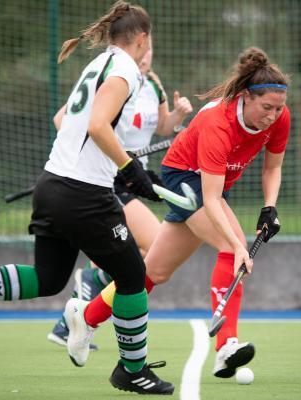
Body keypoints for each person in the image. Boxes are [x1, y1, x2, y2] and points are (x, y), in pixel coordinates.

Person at [0, 1, 175, 395]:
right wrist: (130, 170)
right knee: (132, 276)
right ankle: (132, 369)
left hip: (53, 185)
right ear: (142, 38)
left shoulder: (99, 64)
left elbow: (76, 125)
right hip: (84, 193)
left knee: (47, 278)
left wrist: (128, 169)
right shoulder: (125, 68)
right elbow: (98, 126)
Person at [66, 46, 290, 379]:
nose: (272, 116)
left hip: (213, 185)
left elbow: (272, 168)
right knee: (231, 248)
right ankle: (226, 346)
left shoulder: (279, 118)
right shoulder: (219, 123)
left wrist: (269, 207)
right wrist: (240, 245)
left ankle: (87, 316)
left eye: (278, 108)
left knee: (152, 273)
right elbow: (211, 201)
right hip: (184, 176)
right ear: (245, 97)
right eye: (266, 108)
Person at [47, 39, 193, 349]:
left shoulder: (152, 85)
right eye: (144, 46)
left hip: (133, 179)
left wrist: (178, 115)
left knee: (135, 257)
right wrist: (106, 151)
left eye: (152, 47)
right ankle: (91, 289)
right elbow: (63, 120)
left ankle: (71, 319)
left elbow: (163, 127)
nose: (147, 53)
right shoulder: (115, 78)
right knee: (153, 249)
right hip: (109, 177)